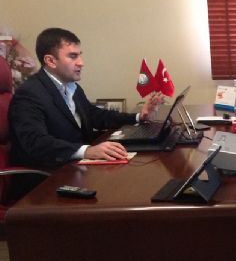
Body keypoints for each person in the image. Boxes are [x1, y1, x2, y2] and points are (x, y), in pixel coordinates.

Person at [10, 28, 163, 173]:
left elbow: (94, 115)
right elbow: (36, 142)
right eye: (73, 56)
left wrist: (138, 117)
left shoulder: (71, 86)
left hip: (75, 167)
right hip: (47, 177)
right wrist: (87, 151)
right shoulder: (29, 94)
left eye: (79, 55)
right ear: (51, 61)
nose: (81, 62)